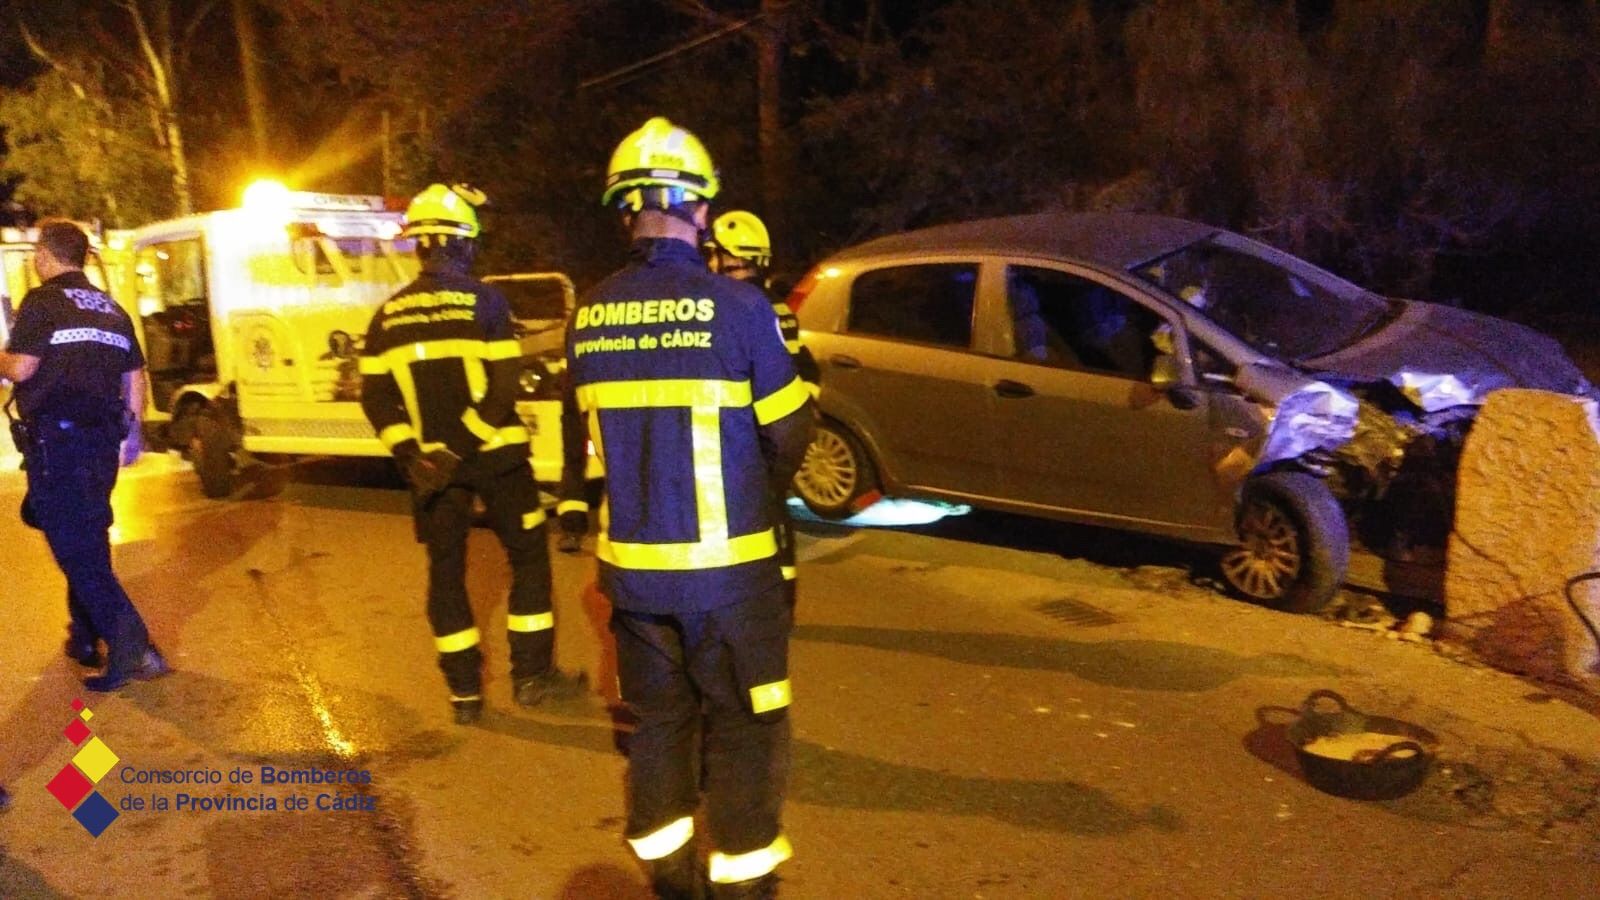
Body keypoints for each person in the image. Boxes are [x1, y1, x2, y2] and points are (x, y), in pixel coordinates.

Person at [561, 118, 814, 899]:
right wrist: (757, 500)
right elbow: (790, 433)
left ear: (625, 210)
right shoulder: (738, 308)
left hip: (634, 580)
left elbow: (590, 445)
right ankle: (742, 883)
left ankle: (672, 877)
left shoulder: (588, 316)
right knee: (744, 729)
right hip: (730, 578)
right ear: (700, 209)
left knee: (660, 725)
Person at [359, 183, 560, 725]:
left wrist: (413, 455)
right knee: (528, 558)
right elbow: (504, 387)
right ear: (462, 243)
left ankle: (465, 694)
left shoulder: (386, 316)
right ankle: (530, 677)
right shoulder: (487, 302)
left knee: (445, 573)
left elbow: (376, 398)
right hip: (497, 457)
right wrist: (461, 448)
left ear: (420, 245)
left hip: (430, 472)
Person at [0, 219, 168, 692]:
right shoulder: (111, 308)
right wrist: (131, 435)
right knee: (87, 536)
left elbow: (22, 368)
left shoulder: (43, 302)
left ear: (45, 256)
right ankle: (84, 637)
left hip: (59, 445)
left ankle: (135, 648)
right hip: (101, 445)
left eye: (37, 252)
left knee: (75, 548)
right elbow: (135, 374)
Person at [704, 210, 820, 606]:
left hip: (748, 436)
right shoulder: (776, 306)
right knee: (775, 513)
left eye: (719, 257)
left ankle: (756, 602)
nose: (713, 265)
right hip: (778, 432)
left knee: (752, 520)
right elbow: (805, 367)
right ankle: (782, 599)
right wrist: (803, 412)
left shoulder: (735, 307)